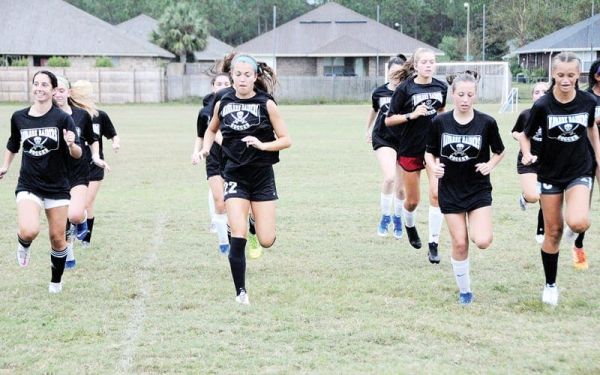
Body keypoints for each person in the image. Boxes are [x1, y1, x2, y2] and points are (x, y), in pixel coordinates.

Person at [199, 54, 291, 305]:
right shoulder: (222, 100)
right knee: (235, 234)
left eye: (247, 75)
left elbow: (286, 139)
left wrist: (262, 145)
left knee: (266, 240)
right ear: (231, 77)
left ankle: (253, 224)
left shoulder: (266, 104)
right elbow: (211, 129)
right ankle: (241, 292)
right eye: (237, 75)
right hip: (234, 175)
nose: (242, 79)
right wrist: (206, 148)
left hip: (261, 176)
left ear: (255, 77)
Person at [520, 52, 600, 306]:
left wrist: (598, 156)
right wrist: (526, 155)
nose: (566, 80)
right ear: (553, 74)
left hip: (579, 170)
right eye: (561, 75)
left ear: (579, 76)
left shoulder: (587, 101)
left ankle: (573, 227)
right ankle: (550, 285)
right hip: (550, 173)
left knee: (578, 222)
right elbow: (525, 135)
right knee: (552, 233)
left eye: (571, 75)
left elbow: (590, 128)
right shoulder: (542, 105)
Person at [425, 71, 505, 305]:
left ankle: (480, 229)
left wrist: (490, 164)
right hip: (449, 188)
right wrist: (433, 167)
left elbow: (500, 151)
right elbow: (429, 153)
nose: (465, 99)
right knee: (460, 242)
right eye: (461, 94)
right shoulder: (440, 122)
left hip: (477, 189)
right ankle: (465, 291)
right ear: (452, 94)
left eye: (470, 94)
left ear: (476, 96)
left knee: (482, 240)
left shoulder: (486, 122)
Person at [0, 70, 82, 293]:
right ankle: (23, 245)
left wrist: (71, 144)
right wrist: (5, 166)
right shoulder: (19, 117)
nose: (39, 88)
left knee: (57, 238)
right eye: (36, 84)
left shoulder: (63, 119)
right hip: (29, 183)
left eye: (45, 85)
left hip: (57, 186)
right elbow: (13, 143)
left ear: (54, 90)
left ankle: (56, 282)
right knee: (29, 230)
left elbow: (77, 154)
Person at [385, 48, 448, 264]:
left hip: (434, 148)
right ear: (417, 65)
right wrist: (412, 115)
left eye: (432, 62)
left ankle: (433, 245)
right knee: (412, 201)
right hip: (410, 147)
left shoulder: (441, 87)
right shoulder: (405, 88)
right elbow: (389, 119)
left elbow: (441, 114)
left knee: (437, 194)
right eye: (424, 62)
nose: (429, 65)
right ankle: (409, 224)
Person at [53, 76, 104, 268]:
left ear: (69, 92)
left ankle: (82, 218)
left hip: (78, 172)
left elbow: (93, 139)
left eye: (61, 90)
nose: (57, 94)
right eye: (54, 90)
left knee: (74, 215)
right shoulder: (47, 117)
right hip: (55, 174)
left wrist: (96, 157)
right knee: (61, 218)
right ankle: (69, 252)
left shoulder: (81, 115)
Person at [69, 80, 119, 248]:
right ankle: (73, 234)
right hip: (74, 166)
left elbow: (113, 134)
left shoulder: (100, 115)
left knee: (86, 203)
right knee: (73, 205)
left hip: (95, 166)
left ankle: (85, 239)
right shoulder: (70, 116)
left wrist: (115, 142)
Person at [365, 54, 407, 239]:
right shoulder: (379, 92)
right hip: (383, 138)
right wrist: (367, 129)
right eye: (392, 73)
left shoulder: (409, 92)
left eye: (399, 73)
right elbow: (374, 110)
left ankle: (398, 218)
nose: (395, 77)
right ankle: (385, 216)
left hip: (405, 141)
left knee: (401, 188)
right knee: (389, 177)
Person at [192, 73, 232, 255]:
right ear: (213, 87)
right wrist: (196, 152)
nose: (222, 86)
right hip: (214, 161)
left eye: (226, 83)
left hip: (234, 162)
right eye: (219, 83)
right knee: (220, 202)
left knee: (235, 203)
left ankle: (234, 235)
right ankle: (224, 242)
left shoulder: (238, 108)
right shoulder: (205, 112)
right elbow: (201, 136)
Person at [511, 82, 549, 244]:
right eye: (537, 92)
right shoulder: (526, 114)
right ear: (532, 96)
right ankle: (525, 198)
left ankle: (541, 229)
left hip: (549, 162)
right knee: (534, 196)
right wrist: (520, 138)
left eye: (544, 92)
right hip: (528, 161)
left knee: (546, 199)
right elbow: (515, 131)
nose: (540, 95)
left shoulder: (555, 115)